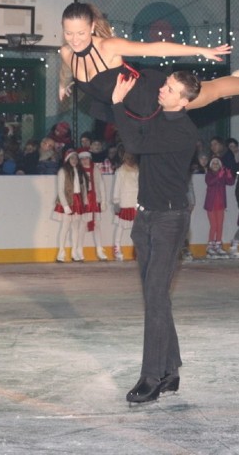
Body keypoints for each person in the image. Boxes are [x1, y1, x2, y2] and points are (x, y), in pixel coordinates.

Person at [111, 69, 200, 404]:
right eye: (165, 84)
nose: (163, 90)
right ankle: (171, 368)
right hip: (146, 217)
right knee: (157, 296)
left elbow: (134, 143)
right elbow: (136, 130)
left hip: (169, 220)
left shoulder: (184, 131)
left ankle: (152, 378)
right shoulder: (161, 116)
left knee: (155, 297)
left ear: (184, 100)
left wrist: (117, 104)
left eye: (170, 88)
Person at [58, 2, 239, 124]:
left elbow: (155, 49)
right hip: (133, 111)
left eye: (81, 33)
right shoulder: (66, 53)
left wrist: (200, 50)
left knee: (210, 93)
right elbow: (66, 69)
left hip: (154, 95)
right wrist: (62, 85)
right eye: (69, 34)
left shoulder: (107, 47)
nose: (75, 40)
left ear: (91, 27)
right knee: (208, 92)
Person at [52, 149, 89, 262]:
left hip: (77, 201)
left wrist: (85, 201)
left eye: (76, 158)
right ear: (67, 159)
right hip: (68, 201)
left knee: (76, 228)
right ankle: (61, 253)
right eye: (72, 158)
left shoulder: (80, 171)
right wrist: (65, 205)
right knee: (65, 227)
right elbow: (60, 190)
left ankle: (74, 252)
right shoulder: (63, 171)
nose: (74, 160)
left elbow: (83, 189)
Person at [78, 149, 108, 261]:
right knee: (83, 226)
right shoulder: (78, 171)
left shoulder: (95, 169)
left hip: (95, 200)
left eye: (86, 158)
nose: (85, 161)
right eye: (82, 159)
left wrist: (104, 201)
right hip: (85, 201)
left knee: (97, 225)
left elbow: (101, 185)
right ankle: (79, 250)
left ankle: (100, 250)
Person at [204, 155, 235, 259]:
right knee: (213, 225)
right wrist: (219, 176)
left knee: (220, 225)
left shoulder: (222, 176)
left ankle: (218, 244)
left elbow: (230, 183)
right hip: (211, 204)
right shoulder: (209, 175)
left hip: (220, 204)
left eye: (217, 163)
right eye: (214, 163)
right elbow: (210, 182)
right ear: (211, 165)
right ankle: (210, 245)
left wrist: (229, 175)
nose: (215, 165)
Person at [111, 151, 139, 261]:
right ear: (124, 159)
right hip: (125, 202)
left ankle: (137, 249)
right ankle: (117, 248)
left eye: (132, 158)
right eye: (128, 158)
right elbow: (117, 186)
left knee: (137, 228)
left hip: (136, 202)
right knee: (121, 226)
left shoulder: (138, 170)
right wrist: (116, 201)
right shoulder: (120, 171)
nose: (130, 160)